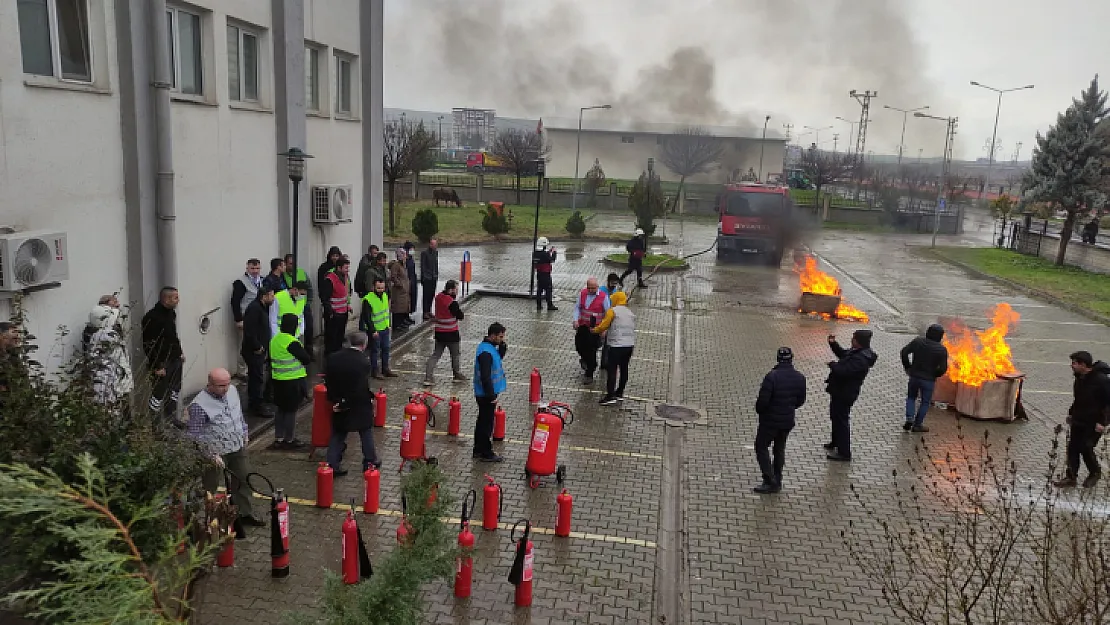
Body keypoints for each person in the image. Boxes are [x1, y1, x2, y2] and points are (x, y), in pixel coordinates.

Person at [187, 368, 264, 539]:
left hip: (237, 447)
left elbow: (238, 414)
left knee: (244, 478)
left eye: (228, 384)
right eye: (221, 386)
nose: (226, 388)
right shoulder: (199, 405)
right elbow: (194, 436)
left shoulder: (232, 391)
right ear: (210, 385)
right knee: (210, 488)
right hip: (215, 455)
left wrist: (244, 432)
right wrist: (210, 455)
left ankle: (244, 513)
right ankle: (208, 522)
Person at [325, 332, 382, 475]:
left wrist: (336, 400)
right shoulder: (363, 362)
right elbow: (360, 386)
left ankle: (332, 465)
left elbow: (329, 381)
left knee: (338, 434)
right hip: (358, 404)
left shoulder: (333, 358)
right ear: (364, 344)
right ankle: (369, 461)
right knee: (365, 431)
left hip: (339, 402)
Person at [753, 347, 807, 494]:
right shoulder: (800, 377)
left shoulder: (772, 376)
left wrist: (761, 411)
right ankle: (778, 478)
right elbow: (801, 400)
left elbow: (763, 402)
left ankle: (769, 480)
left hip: (770, 421)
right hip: (787, 421)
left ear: (778, 358)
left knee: (761, 446)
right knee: (779, 448)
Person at [1055, 351, 1110, 488]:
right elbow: (1079, 399)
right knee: (1073, 448)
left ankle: (1095, 473)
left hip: (1094, 422)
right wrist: (1072, 413)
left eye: (1074, 363)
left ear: (1083, 364)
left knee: (1086, 447)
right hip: (1079, 420)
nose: (1071, 366)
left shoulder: (1101, 380)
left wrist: (1103, 422)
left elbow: (1108, 403)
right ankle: (1071, 477)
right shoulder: (1079, 378)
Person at [823, 330, 877, 462]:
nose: (851, 340)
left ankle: (844, 452)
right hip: (839, 391)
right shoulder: (857, 352)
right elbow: (843, 354)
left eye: (853, 338)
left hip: (845, 393)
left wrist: (833, 365)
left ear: (859, 341)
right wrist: (833, 344)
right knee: (835, 417)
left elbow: (844, 372)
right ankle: (835, 442)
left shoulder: (861, 359)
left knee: (841, 421)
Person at [142, 287, 185, 424]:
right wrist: (157, 365)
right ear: (166, 299)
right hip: (162, 363)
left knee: (174, 391)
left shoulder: (171, 314)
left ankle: (171, 418)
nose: (178, 301)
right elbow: (148, 344)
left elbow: (173, 336)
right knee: (158, 395)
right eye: (175, 298)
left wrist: (180, 352)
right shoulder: (152, 317)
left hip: (175, 359)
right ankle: (156, 426)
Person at [269, 313, 311, 449]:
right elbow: (306, 359)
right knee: (291, 411)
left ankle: (279, 438)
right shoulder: (291, 342)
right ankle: (289, 439)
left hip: (277, 380)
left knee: (280, 409)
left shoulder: (274, 340)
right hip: (292, 381)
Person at [900, 324, 948, 432]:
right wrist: (934, 375)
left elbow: (904, 352)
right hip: (928, 380)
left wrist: (908, 367)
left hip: (914, 376)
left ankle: (909, 418)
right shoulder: (941, 350)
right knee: (925, 402)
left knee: (911, 398)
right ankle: (917, 425)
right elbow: (943, 369)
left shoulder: (918, 342)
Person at [473, 322, 508, 463]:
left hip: (485, 393)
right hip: (486, 394)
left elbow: (497, 360)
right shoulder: (486, 352)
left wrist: (502, 349)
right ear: (492, 335)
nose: (502, 339)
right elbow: (486, 376)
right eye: (500, 336)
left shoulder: (488, 348)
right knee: (486, 424)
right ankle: (486, 452)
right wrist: (491, 395)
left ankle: (478, 449)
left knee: (482, 421)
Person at [86, 303, 133, 405]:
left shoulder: (95, 335)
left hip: (107, 377)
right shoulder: (107, 336)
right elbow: (120, 361)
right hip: (109, 378)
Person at [593, 291, 634, 405]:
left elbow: (604, 325)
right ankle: (620, 393)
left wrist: (595, 330)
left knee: (612, 370)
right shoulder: (630, 313)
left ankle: (610, 395)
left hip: (616, 345)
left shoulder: (613, 311)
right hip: (629, 345)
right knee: (624, 368)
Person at [424, 280, 466, 386]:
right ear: (451, 290)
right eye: (456, 289)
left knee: (436, 355)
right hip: (451, 333)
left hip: (439, 332)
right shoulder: (451, 302)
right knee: (455, 355)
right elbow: (460, 316)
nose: (457, 291)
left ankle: (428, 377)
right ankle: (457, 375)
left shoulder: (439, 297)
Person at [241, 287, 275, 416]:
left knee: (256, 377)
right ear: (264, 296)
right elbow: (249, 331)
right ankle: (256, 405)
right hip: (253, 351)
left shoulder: (261, 307)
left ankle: (255, 402)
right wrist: (257, 347)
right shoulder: (254, 309)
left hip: (259, 349)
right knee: (257, 378)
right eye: (271, 295)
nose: (273, 298)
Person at [573, 277, 610, 383]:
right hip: (583, 326)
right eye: (589, 288)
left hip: (596, 328)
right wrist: (575, 320)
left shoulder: (603, 297)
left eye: (593, 288)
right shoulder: (582, 293)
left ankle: (590, 373)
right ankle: (585, 360)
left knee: (591, 350)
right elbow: (577, 307)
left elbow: (608, 314)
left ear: (597, 287)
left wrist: (604, 329)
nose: (590, 290)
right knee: (579, 346)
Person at [231, 259, 264, 378]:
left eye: (257, 268)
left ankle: (253, 368)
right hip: (246, 318)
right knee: (244, 344)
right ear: (247, 268)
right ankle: (242, 371)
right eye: (252, 268)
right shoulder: (240, 282)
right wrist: (238, 319)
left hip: (259, 318)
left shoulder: (262, 280)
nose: (255, 271)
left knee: (257, 343)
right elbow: (235, 302)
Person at [360, 277, 396, 379]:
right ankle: (374, 371)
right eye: (378, 288)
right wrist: (372, 330)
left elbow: (386, 312)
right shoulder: (368, 299)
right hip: (375, 330)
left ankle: (385, 369)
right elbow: (367, 317)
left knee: (386, 349)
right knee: (375, 351)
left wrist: (388, 325)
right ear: (373, 287)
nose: (381, 290)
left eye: (382, 288)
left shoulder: (384, 295)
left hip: (384, 328)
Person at [320, 257, 353, 356]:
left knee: (340, 337)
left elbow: (345, 293)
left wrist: (348, 305)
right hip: (333, 314)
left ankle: (338, 356)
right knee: (331, 339)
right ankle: (330, 358)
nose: (348, 270)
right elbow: (325, 298)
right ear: (339, 268)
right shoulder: (330, 279)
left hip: (343, 312)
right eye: (346, 268)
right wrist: (330, 312)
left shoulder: (346, 277)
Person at [285, 253, 315, 350]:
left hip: (304, 305)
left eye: (294, 263)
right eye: (290, 263)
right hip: (290, 307)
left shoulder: (302, 273)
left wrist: (308, 302)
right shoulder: (283, 275)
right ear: (285, 264)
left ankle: (309, 350)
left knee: (309, 328)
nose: (292, 265)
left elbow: (309, 288)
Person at [532, 237, 558, 312]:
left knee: (539, 290)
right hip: (546, 274)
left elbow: (544, 257)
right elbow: (552, 259)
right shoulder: (545, 254)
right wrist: (554, 252)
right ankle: (550, 305)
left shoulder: (535, 253)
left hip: (539, 274)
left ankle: (539, 305)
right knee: (548, 290)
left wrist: (549, 252)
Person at [389, 248, 412, 329]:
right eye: (404, 255)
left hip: (404, 291)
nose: (405, 257)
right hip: (398, 291)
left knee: (403, 307)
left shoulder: (403, 265)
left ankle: (401, 321)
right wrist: (400, 284)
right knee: (397, 307)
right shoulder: (396, 265)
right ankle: (397, 324)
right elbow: (393, 276)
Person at [420, 238, 440, 319]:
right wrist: (424, 276)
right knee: (426, 295)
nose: (435, 246)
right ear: (430, 244)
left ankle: (429, 311)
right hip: (427, 278)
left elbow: (436, 264)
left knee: (432, 295)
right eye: (433, 244)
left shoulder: (436, 253)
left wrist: (436, 275)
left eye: (436, 244)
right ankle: (425, 312)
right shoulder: (424, 253)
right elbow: (423, 266)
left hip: (433, 277)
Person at [403, 241, 419, 323]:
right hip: (407, 282)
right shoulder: (404, 259)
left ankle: (408, 315)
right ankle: (405, 317)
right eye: (411, 249)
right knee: (407, 300)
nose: (413, 250)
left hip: (412, 280)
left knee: (412, 299)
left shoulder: (411, 258)